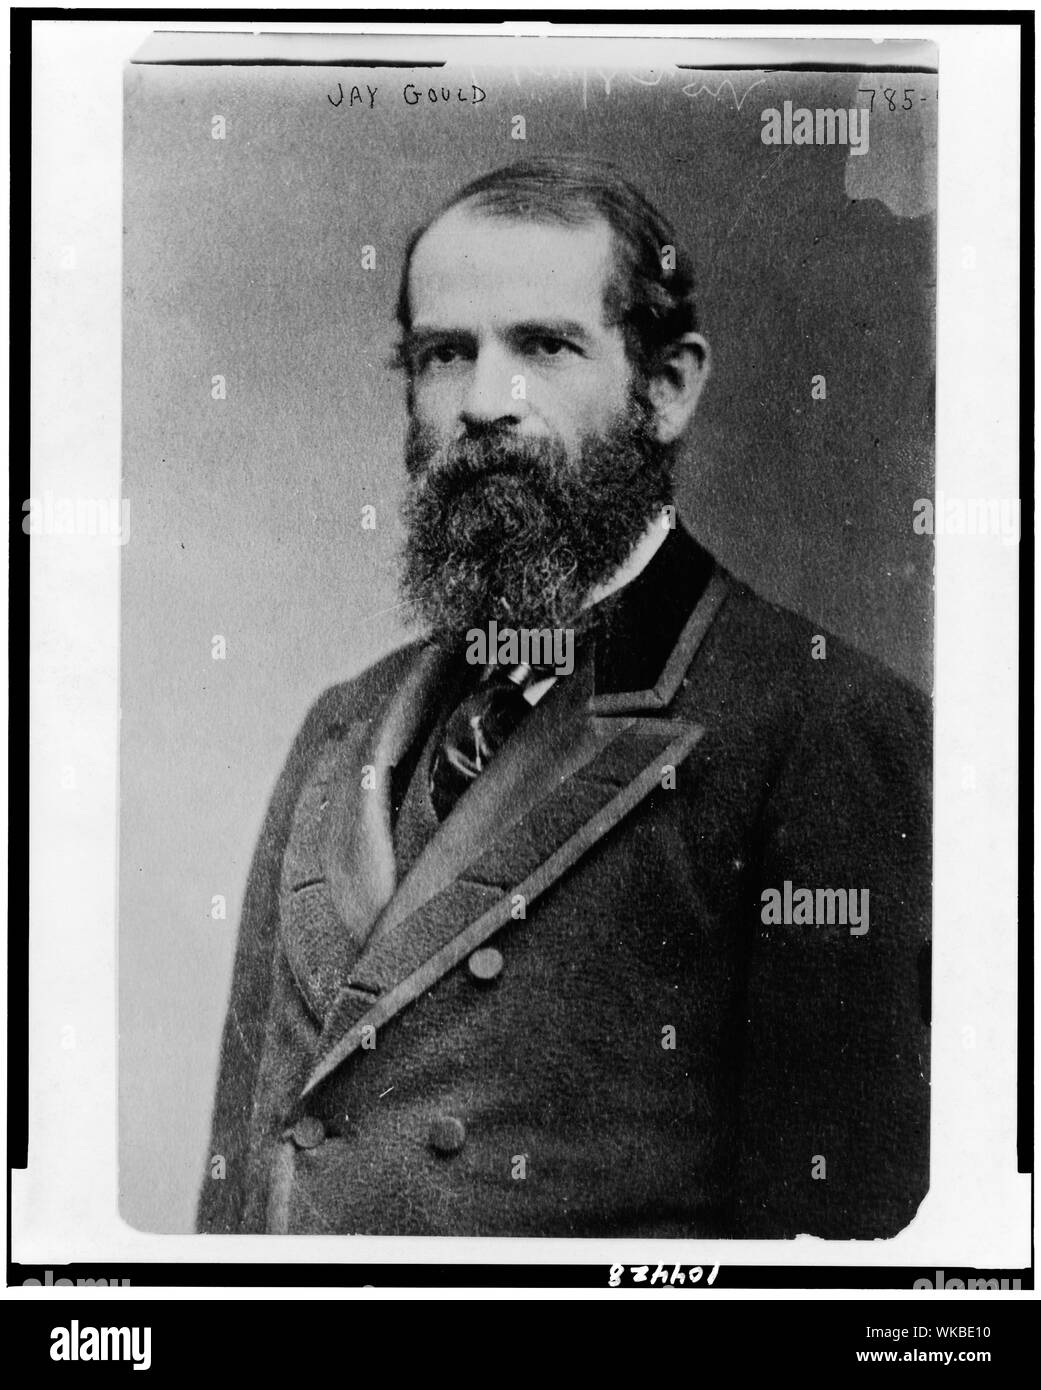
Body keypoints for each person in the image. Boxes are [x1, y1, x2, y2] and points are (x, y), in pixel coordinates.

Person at [198, 156, 930, 1239]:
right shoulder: (344, 723)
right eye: (447, 354)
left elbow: (841, 1252)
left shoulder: (821, 723)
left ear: (667, 385)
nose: (488, 403)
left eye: (543, 345)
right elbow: (242, 1181)